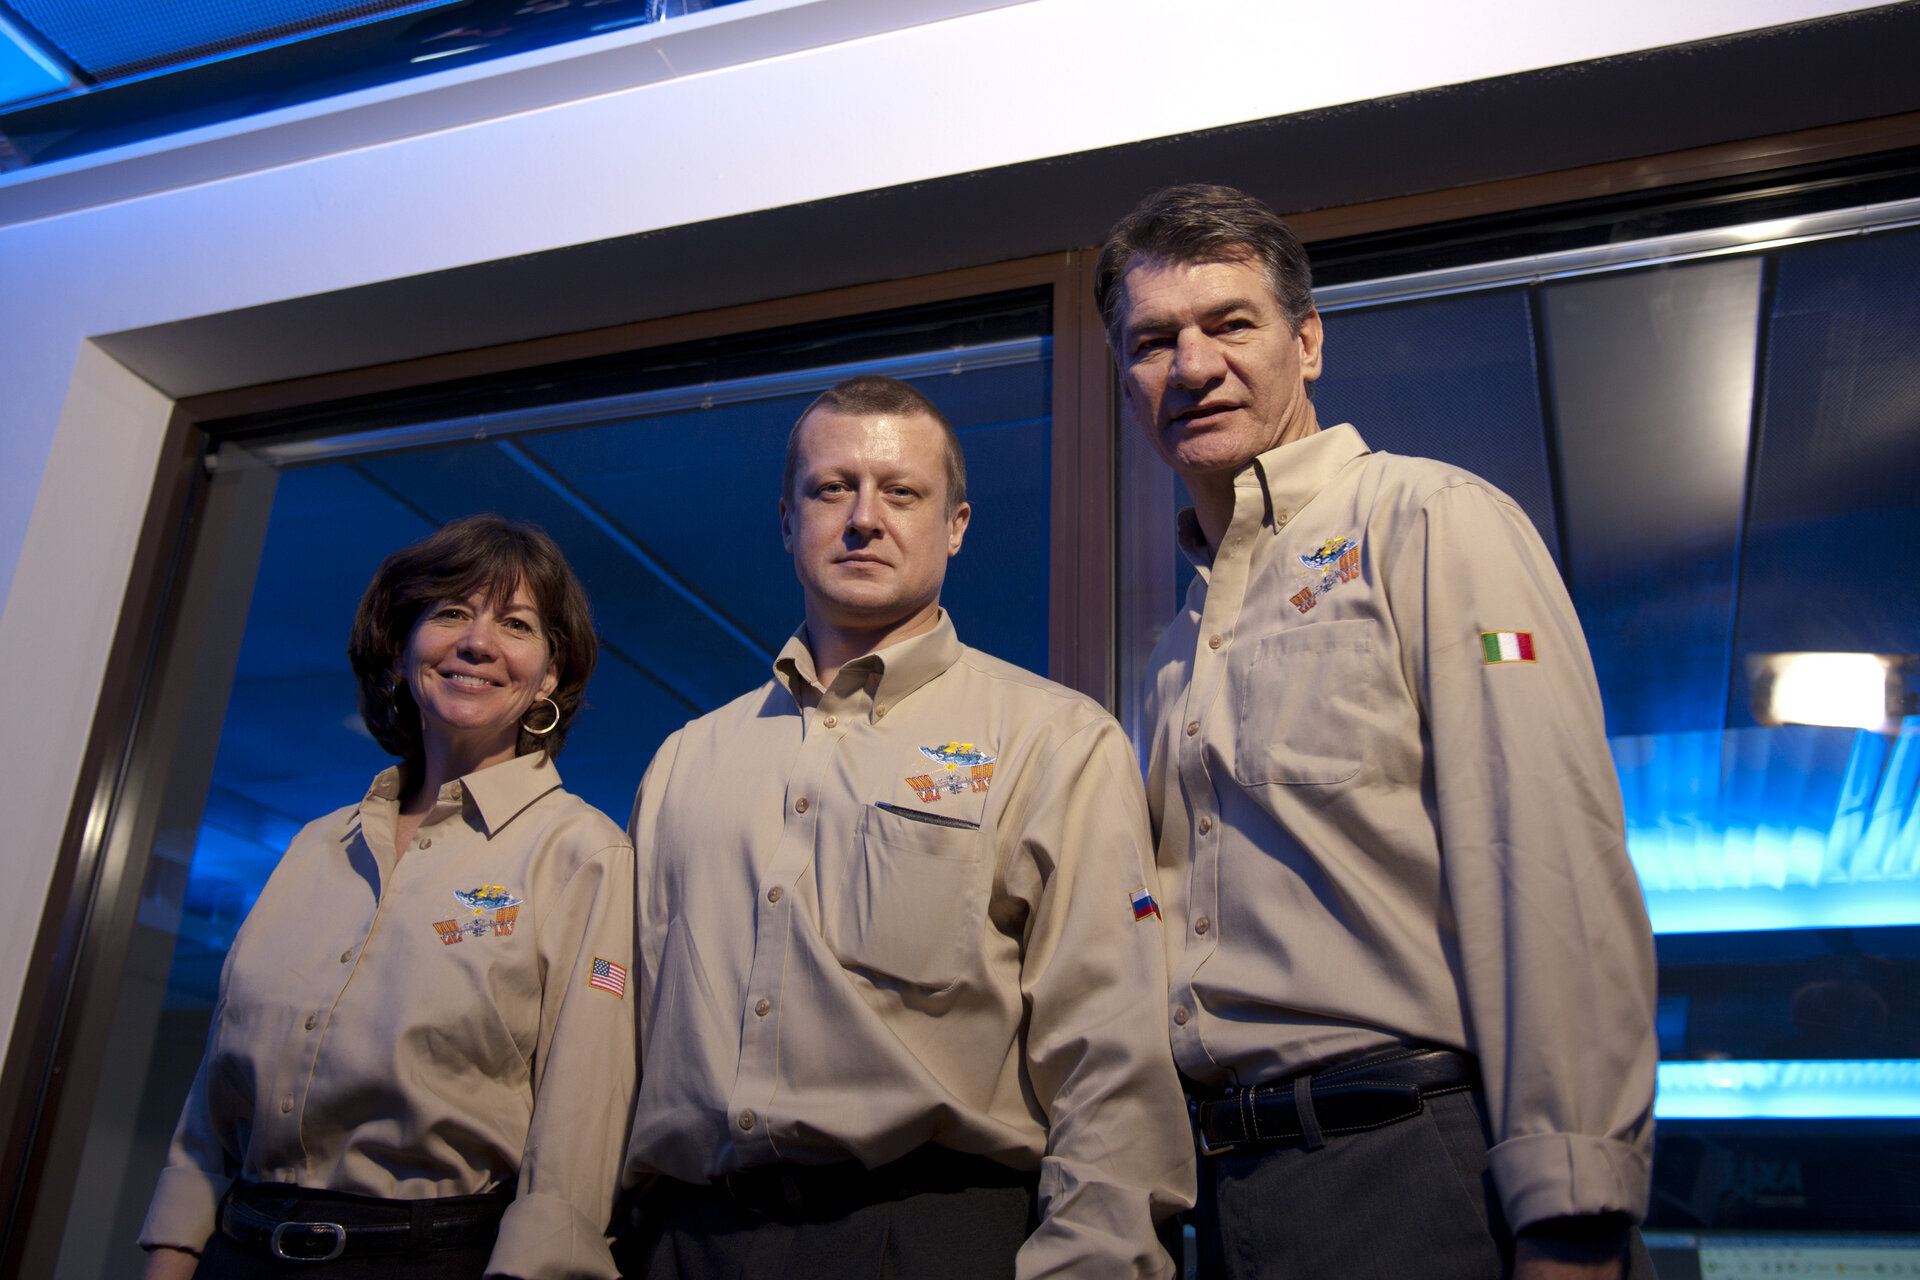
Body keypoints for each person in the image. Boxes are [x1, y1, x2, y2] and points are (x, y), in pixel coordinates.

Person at [1095, 184, 1658, 1279]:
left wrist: (1572, 1210)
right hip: (1239, 1197)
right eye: (1155, 340)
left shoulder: (1434, 522)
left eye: (1231, 323)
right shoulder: (1177, 651)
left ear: (1307, 342)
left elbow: (1545, 859)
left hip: (1421, 1165)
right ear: (1126, 384)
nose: (1193, 364)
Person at [616, 376, 1194, 1279]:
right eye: (831, 488)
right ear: (786, 519)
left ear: (955, 525)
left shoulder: (1053, 739)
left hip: (928, 1238)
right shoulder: (685, 762)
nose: (863, 518)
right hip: (687, 1244)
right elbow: (627, 1048)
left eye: (901, 491)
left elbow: (1109, 1052)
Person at [139, 515, 635, 1280]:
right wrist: (172, 1254)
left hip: (431, 1259)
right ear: (400, 652)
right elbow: (215, 1097)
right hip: (238, 1252)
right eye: (449, 613)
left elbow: (581, 1123)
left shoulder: (582, 854)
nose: (477, 642)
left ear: (548, 676)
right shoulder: (314, 847)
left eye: (515, 623)